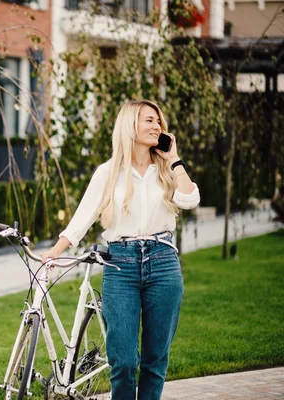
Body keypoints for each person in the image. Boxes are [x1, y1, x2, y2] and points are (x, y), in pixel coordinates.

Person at [41, 100, 200, 399]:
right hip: (120, 265)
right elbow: (83, 216)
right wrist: (57, 249)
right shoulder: (108, 172)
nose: (157, 127)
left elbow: (190, 200)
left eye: (159, 123)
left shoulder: (167, 169)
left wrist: (175, 159)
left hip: (163, 262)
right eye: (150, 121)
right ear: (131, 125)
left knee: (155, 361)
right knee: (123, 362)